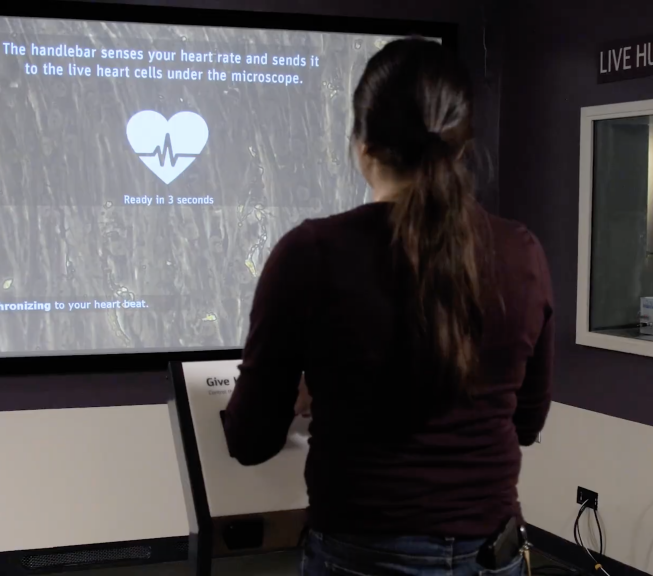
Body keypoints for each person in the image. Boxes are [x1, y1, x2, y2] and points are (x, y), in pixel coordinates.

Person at [222, 37, 554, 576]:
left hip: (357, 558)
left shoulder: (309, 254)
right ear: (462, 148)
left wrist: (308, 392)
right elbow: (526, 421)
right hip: (491, 557)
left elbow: (250, 440)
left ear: (362, 145)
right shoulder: (522, 253)